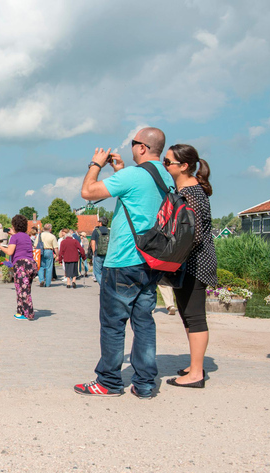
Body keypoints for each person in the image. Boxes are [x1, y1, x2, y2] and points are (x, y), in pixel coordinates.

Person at [74, 127, 174, 399]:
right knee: (143, 321)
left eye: (133, 143)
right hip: (151, 260)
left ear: (142, 147)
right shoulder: (166, 177)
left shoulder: (134, 175)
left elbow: (88, 192)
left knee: (113, 323)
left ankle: (108, 381)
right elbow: (138, 200)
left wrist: (96, 164)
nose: (131, 148)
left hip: (123, 260)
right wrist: (119, 169)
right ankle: (144, 384)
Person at [163, 144, 218, 389]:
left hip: (194, 262)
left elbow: (190, 234)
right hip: (189, 261)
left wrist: (166, 250)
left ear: (183, 166)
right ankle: (195, 364)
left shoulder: (191, 193)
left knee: (195, 318)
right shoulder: (189, 189)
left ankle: (196, 373)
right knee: (187, 315)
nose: (165, 166)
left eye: (168, 162)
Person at [0, 215, 37, 320]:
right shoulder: (26, 236)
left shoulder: (14, 237)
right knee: (26, 288)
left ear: (14, 225)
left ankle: (28, 313)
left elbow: (9, 252)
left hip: (21, 265)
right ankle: (20, 311)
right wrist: (14, 234)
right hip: (31, 263)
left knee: (21, 289)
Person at [89, 217, 110, 283]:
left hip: (98, 254)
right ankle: (107, 285)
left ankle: (103, 286)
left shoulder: (96, 231)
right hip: (107, 254)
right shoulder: (109, 231)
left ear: (100, 223)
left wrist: (94, 252)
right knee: (106, 272)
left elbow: (93, 243)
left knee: (97, 272)